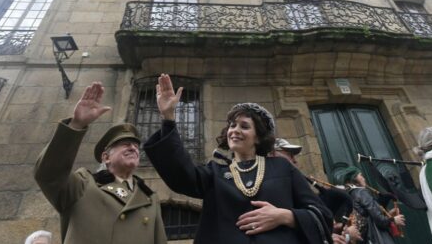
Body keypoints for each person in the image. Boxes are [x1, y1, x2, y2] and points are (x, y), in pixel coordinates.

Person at [144, 74, 332, 244]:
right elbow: (182, 174)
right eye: (232, 125)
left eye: (244, 126)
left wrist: (285, 216)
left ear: (258, 137)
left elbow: (322, 215)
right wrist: (168, 119)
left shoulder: (282, 167)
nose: (235, 130)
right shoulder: (214, 172)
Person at [34, 82, 167, 244]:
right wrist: (77, 125)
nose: (132, 147)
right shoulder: (83, 184)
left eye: (135, 145)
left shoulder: (150, 198)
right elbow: (48, 174)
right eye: (124, 143)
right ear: (106, 157)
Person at [270, 138, 359, 244]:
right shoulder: (272, 188)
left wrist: (335, 232)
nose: (295, 160)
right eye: (290, 155)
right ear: (272, 154)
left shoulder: (294, 186)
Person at [340, 166, 406, 244]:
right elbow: (379, 220)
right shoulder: (361, 192)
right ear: (354, 178)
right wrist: (394, 220)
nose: (364, 178)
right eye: (361, 175)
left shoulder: (351, 195)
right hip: (377, 238)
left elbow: (369, 216)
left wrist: (389, 214)